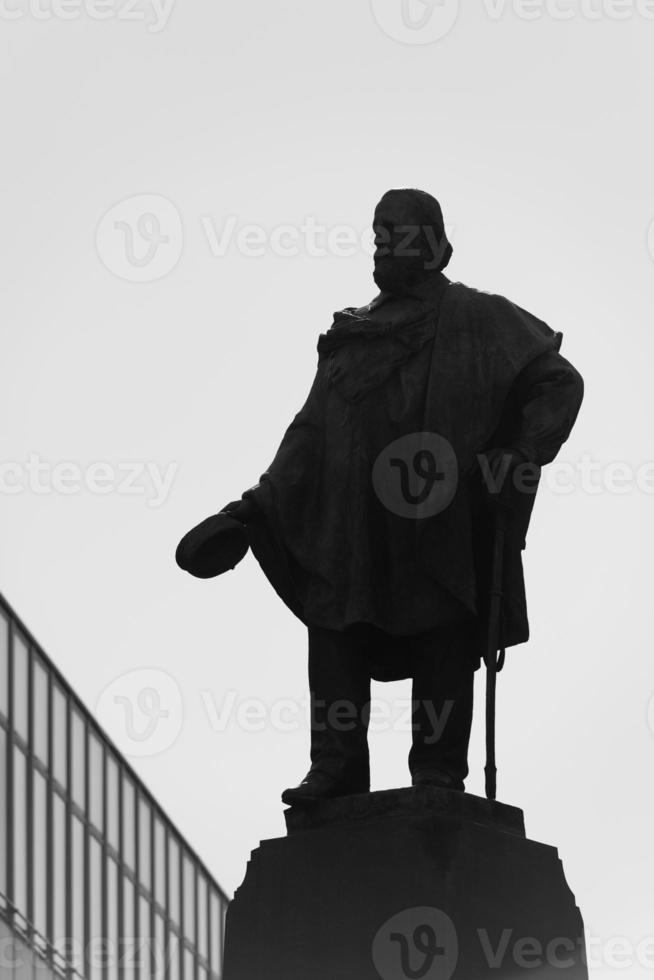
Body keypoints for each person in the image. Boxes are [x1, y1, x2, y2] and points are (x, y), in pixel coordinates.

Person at [221, 188, 584, 804]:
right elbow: (307, 436)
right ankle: (334, 769)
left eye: (398, 230)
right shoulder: (350, 337)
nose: (383, 240)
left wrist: (521, 453)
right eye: (377, 231)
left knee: (441, 627)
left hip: (435, 512)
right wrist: (246, 510)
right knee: (334, 626)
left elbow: (557, 381)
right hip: (351, 525)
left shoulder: (479, 318)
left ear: (436, 245)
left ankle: (438, 771)